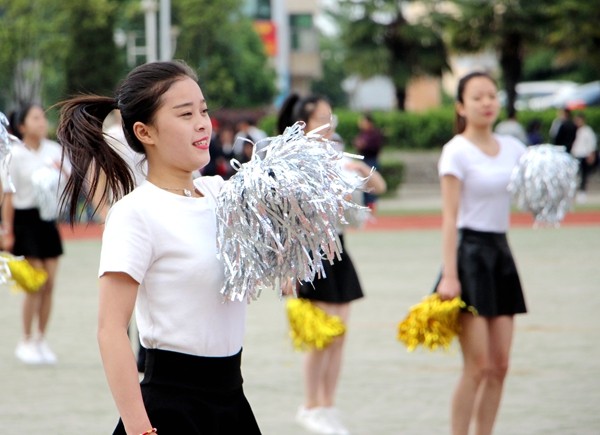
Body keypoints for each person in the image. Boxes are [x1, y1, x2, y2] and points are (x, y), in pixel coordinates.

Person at [56, 61, 262, 435]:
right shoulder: (135, 214)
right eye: (185, 114)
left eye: (204, 110)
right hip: (171, 410)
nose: (202, 123)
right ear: (144, 131)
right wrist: (139, 428)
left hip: (232, 402)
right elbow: (111, 328)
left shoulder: (221, 194)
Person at [278, 94, 386, 435]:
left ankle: (327, 404)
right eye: (320, 118)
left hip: (337, 249)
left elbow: (378, 188)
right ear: (303, 125)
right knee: (322, 336)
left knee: (339, 336)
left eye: (330, 116)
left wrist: (359, 169)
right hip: (310, 255)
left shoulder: (338, 157)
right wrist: (287, 271)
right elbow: (283, 221)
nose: (328, 124)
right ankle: (310, 405)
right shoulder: (291, 161)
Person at [436, 72, 527, 435]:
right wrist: (450, 274)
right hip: (469, 256)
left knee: (500, 365)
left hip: (501, 254)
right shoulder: (455, 150)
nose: (487, 102)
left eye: (492, 95)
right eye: (477, 97)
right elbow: (449, 217)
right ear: (461, 106)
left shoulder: (514, 148)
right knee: (477, 365)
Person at [3, 104, 71, 365]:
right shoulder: (15, 154)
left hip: (48, 220)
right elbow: (9, 196)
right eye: (36, 118)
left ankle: (41, 339)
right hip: (25, 221)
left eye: (43, 118)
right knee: (36, 282)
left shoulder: (55, 150)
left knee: (50, 284)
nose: (42, 122)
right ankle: (26, 339)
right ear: (22, 126)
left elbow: (69, 186)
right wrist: (7, 231)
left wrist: (62, 170)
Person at [352, 113, 384, 211]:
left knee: (371, 184)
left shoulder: (374, 134)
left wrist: (364, 145)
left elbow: (374, 147)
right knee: (363, 185)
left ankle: (371, 204)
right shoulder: (363, 133)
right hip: (363, 161)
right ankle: (365, 204)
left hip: (371, 161)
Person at [571, 113, 598, 203]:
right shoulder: (574, 130)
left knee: (584, 175)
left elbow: (592, 143)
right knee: (574, 175)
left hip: (584, 155)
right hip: (575, 155)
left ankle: (582, 192)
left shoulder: (587, 131)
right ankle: (573, 192)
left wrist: (591, 154)